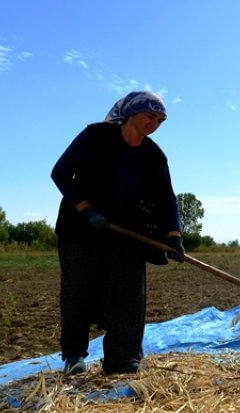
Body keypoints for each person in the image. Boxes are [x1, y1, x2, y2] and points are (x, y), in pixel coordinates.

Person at [51, 91, 184, 376]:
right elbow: (60, 173)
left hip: (126, 233)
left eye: (160, 120)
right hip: (80, 229)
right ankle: (74, 356)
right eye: (150, 116)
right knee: (78, 290)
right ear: (132, 113)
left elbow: (166, 198)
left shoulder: (153, 155)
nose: (155, 123)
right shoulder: (95, 136)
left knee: (129, 294)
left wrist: (174, 235)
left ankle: (121, 359)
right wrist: (87, 211)